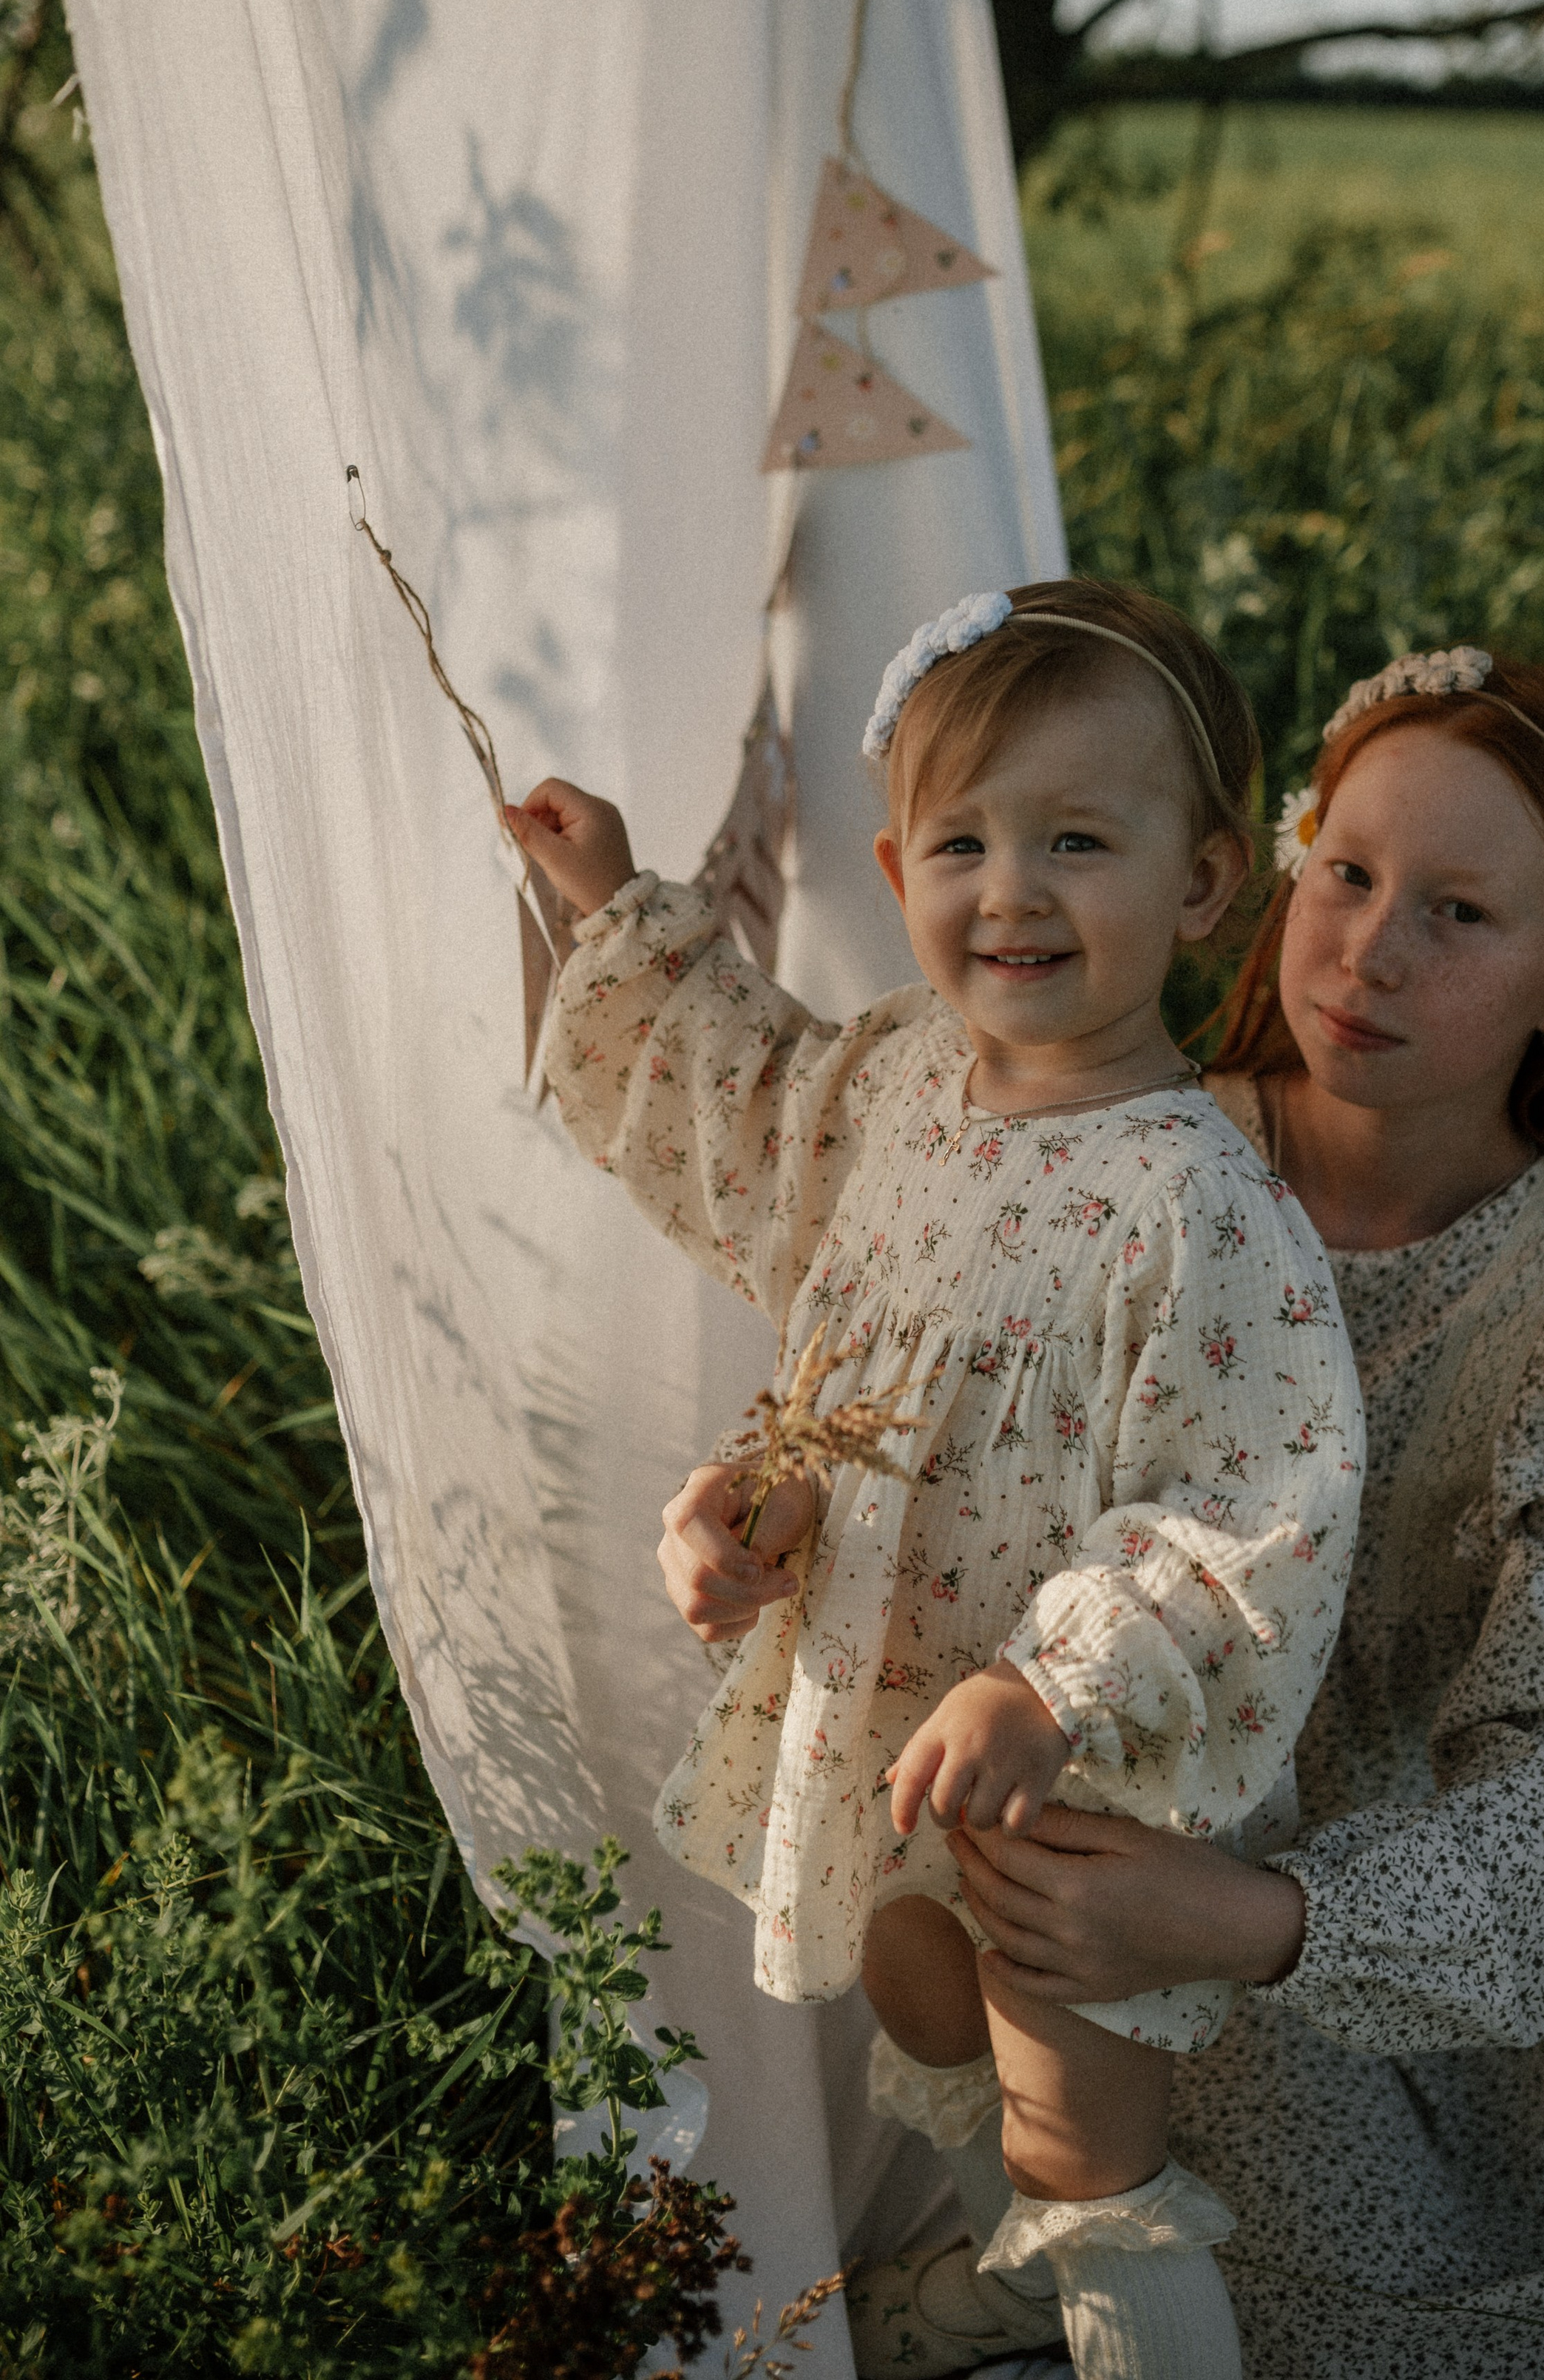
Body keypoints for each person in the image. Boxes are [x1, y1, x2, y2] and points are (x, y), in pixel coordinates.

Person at [901, 642, 1544, 2380]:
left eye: (1458, 914)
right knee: (1163, 2150)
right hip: (1143, 1759)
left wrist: (1252, 1920)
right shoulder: (1132, 1151)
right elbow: (932, 1421)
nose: (1366, 949)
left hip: (1411, 1871)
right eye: (1344, 874)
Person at [508, 579, 1367, 2380]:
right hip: (890, 1712)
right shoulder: (901, 1089)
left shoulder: (1190, 1197)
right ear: (898, 872)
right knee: (920, 1995)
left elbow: (1248, 1501)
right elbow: (759, 1142)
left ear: (1204, 882)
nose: (1012, 889)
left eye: (1077, 839)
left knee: (1080, 2125)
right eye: (963, 841)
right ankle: (1013, 2278)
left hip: (1077, 1780)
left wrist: (1051, 1681)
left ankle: (1123, 2301)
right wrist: (758, 1505)